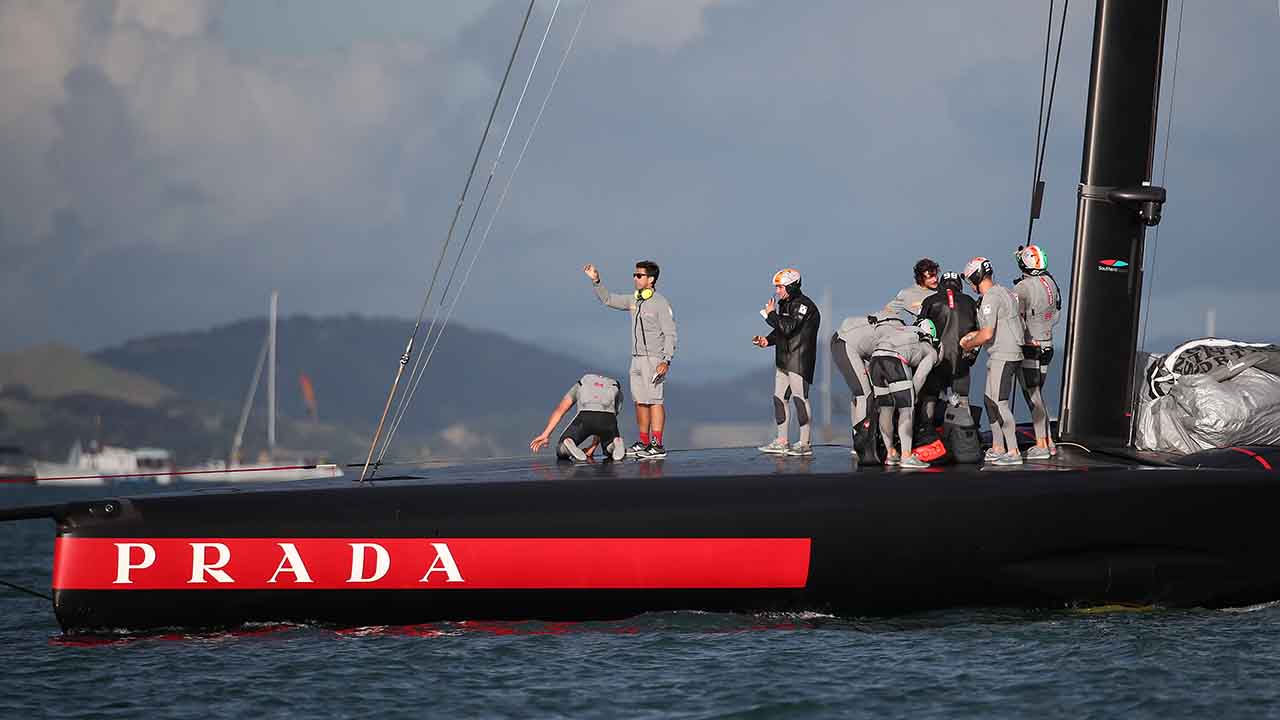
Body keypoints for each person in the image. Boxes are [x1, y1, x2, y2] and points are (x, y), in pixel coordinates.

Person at [585, 260, 677, 459]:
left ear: (650, 279)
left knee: (655, 400)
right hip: (636, 359)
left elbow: (670, 334)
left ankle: (657, 444)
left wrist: (666, 360)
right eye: (634, 275)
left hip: (654, 359)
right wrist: (597, 281)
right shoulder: (634, 300)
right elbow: (608, 299)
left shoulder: (660, 303)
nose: (635, 278)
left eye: (639, 275)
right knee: (640, 401)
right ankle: (644, 442)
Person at [959, 256, 1026, 466]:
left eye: (971, 280)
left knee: (1000, 403)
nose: (970, 285)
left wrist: (967, 345)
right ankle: (998, 447)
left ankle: (1013, 451)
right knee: (990, 400)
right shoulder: (1004, 292)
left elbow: (987, 334)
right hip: (1006, 353)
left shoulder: (990, 297)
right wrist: (974, 335)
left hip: (1003, 356)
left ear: (977, 277)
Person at [754, 268, 821, 457]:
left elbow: (789, 327)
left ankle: (804, 443)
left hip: (799, 359)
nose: (777, 291)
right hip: (783, 358)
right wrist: (767, 340)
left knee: (800, 398)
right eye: (776, 287)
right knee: (779, 399)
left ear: (791, 286)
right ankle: (782, 441)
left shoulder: (804, 305)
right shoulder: (784, 304)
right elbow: (781, 331)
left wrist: (770, 315)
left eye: (780, 287)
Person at [830, 311, 905, 463]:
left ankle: (857, 441)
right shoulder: (901, 340)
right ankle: (863, 444)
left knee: (861, 394)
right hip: (846, 344)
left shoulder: (899, 331)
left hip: (853, 343)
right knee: (865, 395)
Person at [1012, 244, 1063, 459]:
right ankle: (1048, 441)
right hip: (1048, 343)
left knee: (1032, 395)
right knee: (1038, 393)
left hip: (1031, 346)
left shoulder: (1022, 288)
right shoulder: (1051, 282)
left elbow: (1015, 317)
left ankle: (1042, 444)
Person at [869, 319, 938, 468]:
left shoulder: (903, 331)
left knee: (886, 409)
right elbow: (920, 377)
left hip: (875, 360)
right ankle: (906, 456)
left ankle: (891, 453)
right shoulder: (929, 348)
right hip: (894, 360)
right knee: (906, 409)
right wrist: (913, 396)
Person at [918, 271, 980, 423]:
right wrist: (971, 357)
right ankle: (965, 437)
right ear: (959, 286)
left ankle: (928, 434)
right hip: (962, 360)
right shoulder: (970, 302)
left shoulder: (929, 301)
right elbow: (979, 331)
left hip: (936, 360)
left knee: (930, 397)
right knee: (962, 399)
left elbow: (920, 329)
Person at [530, 374, 628, 463]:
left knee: (560, 450)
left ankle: (568, 442)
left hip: (584, 418)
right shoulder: (614, 386)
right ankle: (615, 443)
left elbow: (560, 410)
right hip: (608, 419)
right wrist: (593, 447)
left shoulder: (581, 383)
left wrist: (546, 434)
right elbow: (605, 419)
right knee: (608, 448)